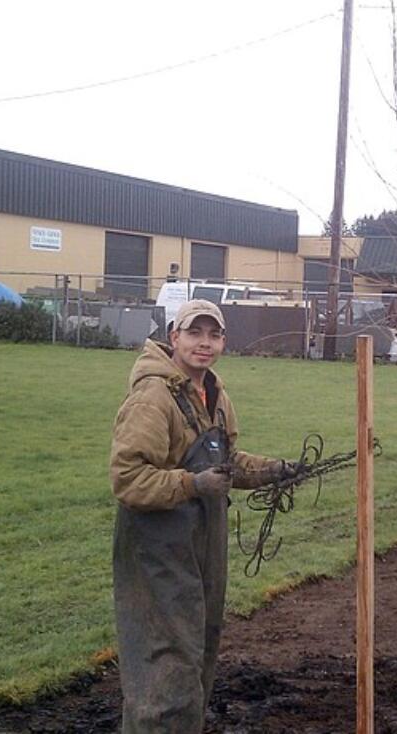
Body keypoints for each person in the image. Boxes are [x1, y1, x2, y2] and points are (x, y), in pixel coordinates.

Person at [109, 299, 296, 733]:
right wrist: (192, 485)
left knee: (199, 653)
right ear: (174, 337)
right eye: (195, 333)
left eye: (214, 335)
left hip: (201, 547)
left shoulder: (214, 394)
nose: (204, 344)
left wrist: (275, 470)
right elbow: (128, 479)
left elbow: (227, 462)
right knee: (167, 664)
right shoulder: (154, 397)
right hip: (157, 551)